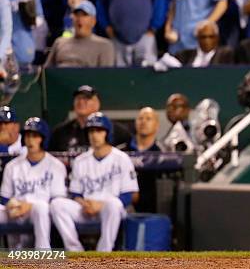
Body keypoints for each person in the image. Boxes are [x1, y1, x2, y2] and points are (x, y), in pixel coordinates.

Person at [50, 112, 139, 252]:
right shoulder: (81, 160)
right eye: (91, 131)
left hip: (110, 211)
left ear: (107, 133)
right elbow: (75, 193)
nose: (94, 135)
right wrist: (84, 204)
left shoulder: (121, 159)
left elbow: (131, 195)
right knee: (57, 204)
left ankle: (103, 253)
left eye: (99, 131)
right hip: (87, 209)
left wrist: (101, 205)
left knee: (114, 204)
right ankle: (75, 251)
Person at [0, 117, 67, 249]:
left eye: (35, 136)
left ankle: (42, 254)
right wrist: (10, 205)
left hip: (42, 211)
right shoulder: (12, 166)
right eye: (28, 136)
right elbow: (4, 198)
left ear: (43, 139)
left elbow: (57, 201)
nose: (30, 140)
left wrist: (29, 206)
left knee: (40, 208)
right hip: (16, 211)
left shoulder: (56, 165)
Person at [50, 85, 131, 152]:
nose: (81, 102)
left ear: (97, 104)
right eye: (78, 98)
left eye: (86, 98)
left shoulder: (116, 131)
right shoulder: (60, 132)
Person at [0, 0, 46, 67]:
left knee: (24, 72)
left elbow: (40, 19)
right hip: (2, 40)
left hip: (23, 39)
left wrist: (30, 17)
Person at [45, 1, 114, 68]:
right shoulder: (59, 42)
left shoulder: (104, 45)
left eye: (84, 15)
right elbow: (46, 73)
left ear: (93, 21)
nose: (79, 19)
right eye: (76, 15)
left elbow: (105, 77)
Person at [121, 107, 161, 213]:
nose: (143, 121)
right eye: (140, 118)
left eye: (148, 119)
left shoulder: (162, 153)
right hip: (123, 206)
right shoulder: (121, 152)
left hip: (152, 209)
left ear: (157, 125)